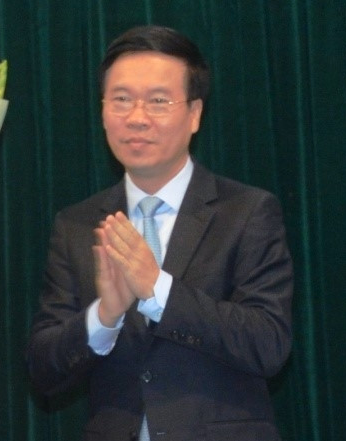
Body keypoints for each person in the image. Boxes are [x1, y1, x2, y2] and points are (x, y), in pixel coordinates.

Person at [26, 26, 293, 441]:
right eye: (121, 100)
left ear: (195, 113)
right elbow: (44, 369)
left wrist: (157, 289)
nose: (136, 117)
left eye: (157, 101)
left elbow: (268, 344)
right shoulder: (76, 224)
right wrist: (105, 315)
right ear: (102, 111)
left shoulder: (247, 212)